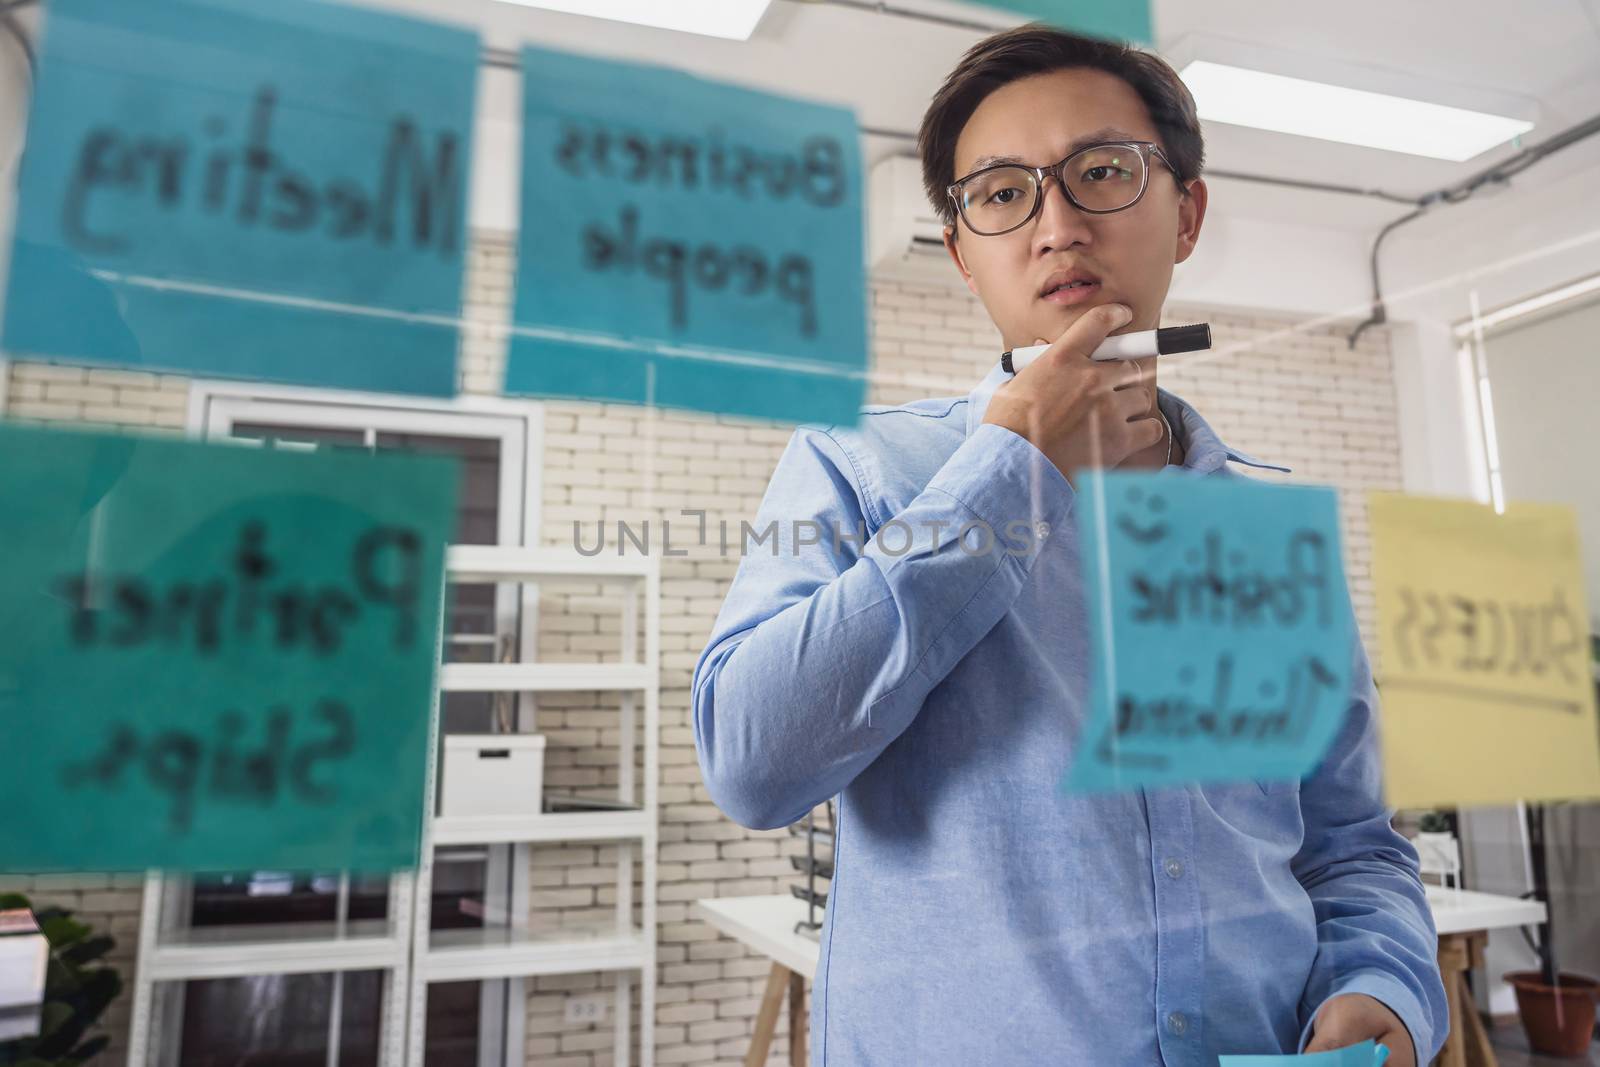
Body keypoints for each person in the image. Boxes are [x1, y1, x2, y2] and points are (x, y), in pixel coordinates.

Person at [690, 24, 1447, 1066]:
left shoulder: (1253, 529)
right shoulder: (858, 466)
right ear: (961, 251)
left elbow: (1349, 843)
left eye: (1100, 171)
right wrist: (1014, 465)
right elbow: (751, 761)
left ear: (1185, 213)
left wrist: (1385, 985)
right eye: (1001, 193)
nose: (1056, 226)